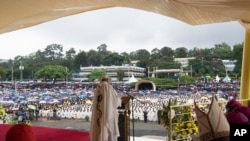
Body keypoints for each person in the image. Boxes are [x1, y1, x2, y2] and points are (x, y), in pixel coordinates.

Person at [90, 75, 122, 141]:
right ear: (108, 80)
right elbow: (115, 100)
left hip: (99, 112)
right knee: (111, 130)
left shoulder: (98, 88)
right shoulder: (109, 87)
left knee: (100, 128)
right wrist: (120, 99)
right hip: (109, 112)